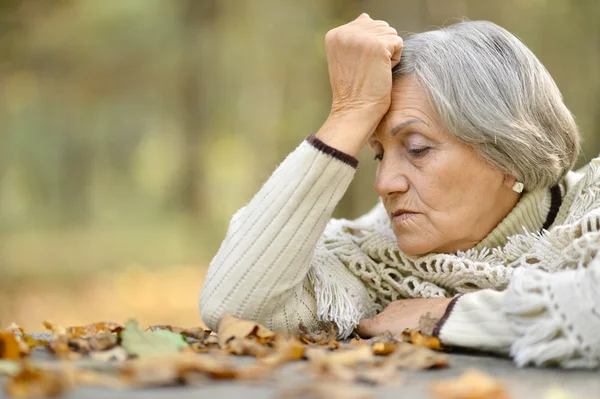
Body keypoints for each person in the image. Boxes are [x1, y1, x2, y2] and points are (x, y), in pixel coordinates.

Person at [199, 14, 600, 368]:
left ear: (509, 150)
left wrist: (447, 316)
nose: (384, 184)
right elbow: (234, 307)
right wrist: (349, 114)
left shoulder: (591, 210)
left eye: (417, 148)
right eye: (377, 154)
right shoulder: (375, 263)